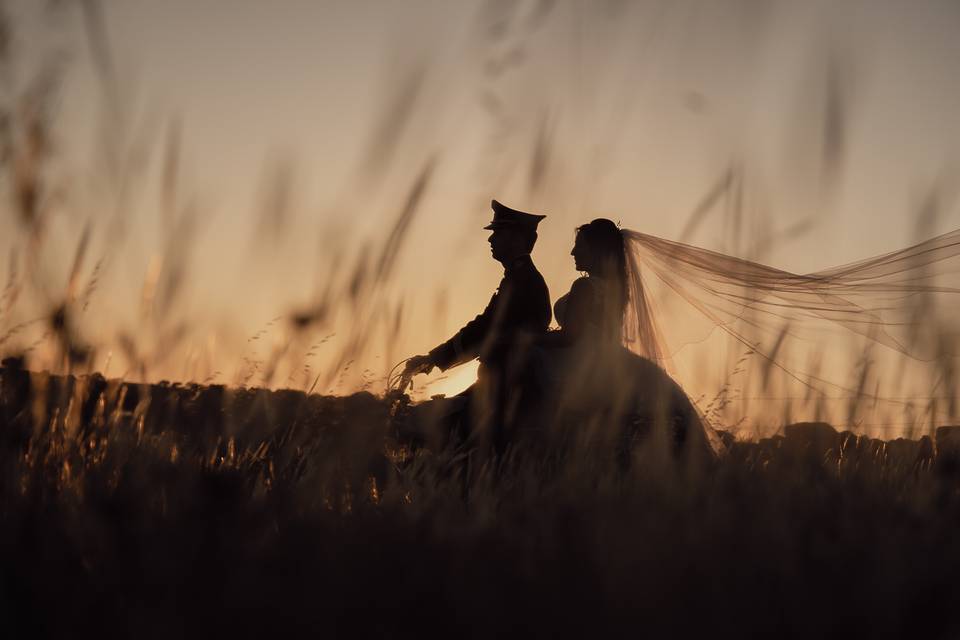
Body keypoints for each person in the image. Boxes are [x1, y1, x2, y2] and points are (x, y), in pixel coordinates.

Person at [528, 219, 722, 464]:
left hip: (583, 365)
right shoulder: (618, 288)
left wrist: (529, 339)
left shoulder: (584, 285)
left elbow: (572, 336)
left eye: (580, 245)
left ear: (596, 250)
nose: (573, 251)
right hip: (612, 361)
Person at [402, 199, 551, 454]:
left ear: (516, 237)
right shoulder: (517, 278)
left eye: (498, 233)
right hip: (499, 384)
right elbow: (483, 327)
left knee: (444, 440)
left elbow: (484, 330)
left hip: (508, 389)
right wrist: (433, 359)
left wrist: (432, 358)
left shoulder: (522, 281)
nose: (490, 240)